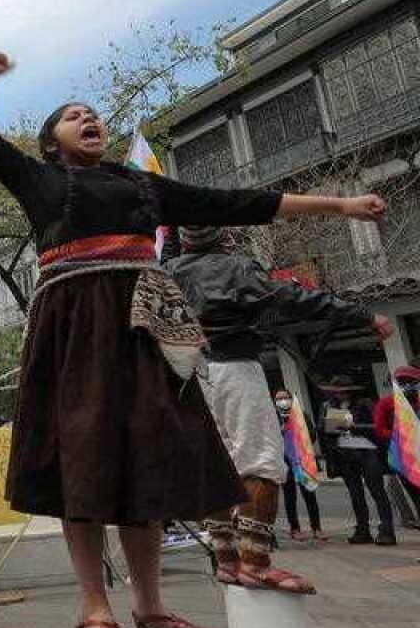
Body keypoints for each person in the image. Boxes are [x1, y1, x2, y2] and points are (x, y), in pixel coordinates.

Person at [0, 51, 387, 628]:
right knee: (79, 462)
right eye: (74, 115)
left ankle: (151, 608)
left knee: (147, 462)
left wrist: (340, 206)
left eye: (93, 113)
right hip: (75, 333)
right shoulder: (40, 181)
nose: (90, 118)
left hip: (143, 333)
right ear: (51, 143)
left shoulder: (142, 185)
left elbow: (236, 202)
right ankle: (93, 609)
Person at [165, 226, 387, 594]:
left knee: (213, 464)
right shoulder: (235, 267)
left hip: (190, 376)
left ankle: (226, 559)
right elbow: (294, 296)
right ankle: (255, 562)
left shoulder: (170, 269)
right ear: (223, 234)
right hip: (235, 369)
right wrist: (362, 315)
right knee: (262, 462)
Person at [321, 375, 395, 545]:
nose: (340, 395)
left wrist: (355, 426)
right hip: (346, 457)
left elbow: (378, 426)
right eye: (337, 392)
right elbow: (331, 434)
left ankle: (387, 530)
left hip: (367, 453)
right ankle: (362, 530)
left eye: (343, 392)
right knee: (356, 495)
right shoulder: (331, 406)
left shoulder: (365, 403)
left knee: (377, 492)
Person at [273, 390, 327, 542]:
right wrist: (280, 432)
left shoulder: (301, 414)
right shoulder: (273, 418)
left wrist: (299, 432)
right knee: (290, 496)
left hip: (302, 459)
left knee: (309, 494)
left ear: (291, 399)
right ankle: (294, 528)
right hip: (285, 461)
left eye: (285, 397)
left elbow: (313, 435)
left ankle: (316, 528)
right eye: (279, 399)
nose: (283, 401)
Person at [373, 364, 420, 527]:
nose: (407, 385)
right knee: (413, 492)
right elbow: (379, 429)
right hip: (402, 457)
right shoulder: (386, 404)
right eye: (403, 381)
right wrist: (402, 437)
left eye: (412, 381)